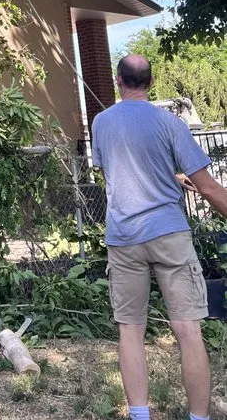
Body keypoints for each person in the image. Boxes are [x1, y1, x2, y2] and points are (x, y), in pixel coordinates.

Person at [93, 54, 227, 420]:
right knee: (188, 331)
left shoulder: (101, 123)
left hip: (124, 239)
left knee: (131, 332)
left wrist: (170, 178)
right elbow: (210, 188)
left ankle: (140, 415)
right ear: (151, 82)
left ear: (119, 80)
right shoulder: (170, 122)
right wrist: (178, 179)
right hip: (169, 234)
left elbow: (124, 173)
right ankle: (198, 417)